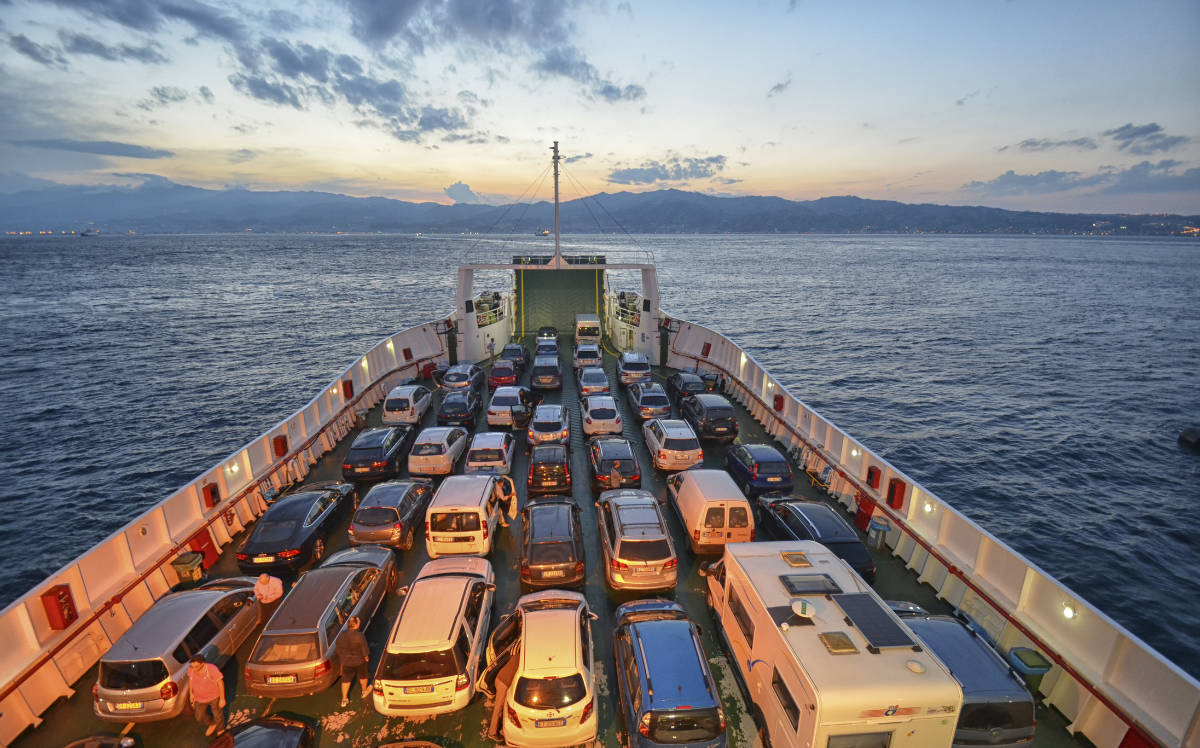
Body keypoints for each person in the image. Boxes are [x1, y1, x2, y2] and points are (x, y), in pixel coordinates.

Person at [486, 643, 521, 742]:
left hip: (499, 679)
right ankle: (492, 733)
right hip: (504, 684)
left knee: (500, 706)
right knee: (498, 708)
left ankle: (499, 727)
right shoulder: (522, 661)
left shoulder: (515, 655)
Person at [336, 616, 371, 707]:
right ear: (355, 624)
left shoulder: (341, 635)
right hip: (359, 661)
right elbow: (365, 651)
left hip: (346, 662)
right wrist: (367, 659)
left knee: (346, 680)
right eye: (358, 622)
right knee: (363, 676)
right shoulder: (359, 636)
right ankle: (364, 691)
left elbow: (338, 650)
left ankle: (344, 699)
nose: (359, 623)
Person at [188, 653, 225, 737]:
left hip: (214, 697)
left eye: (196, 666)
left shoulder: (212, 669)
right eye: (192, 666)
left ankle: (221, 730)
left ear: (203, 664)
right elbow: (190, 680)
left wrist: (222, 699)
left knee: (217, 715)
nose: (193, 669)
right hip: (199, 698)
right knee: (199, 717)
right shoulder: (191, 669)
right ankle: (212, 724)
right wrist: (191, 694)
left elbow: (220, 683)